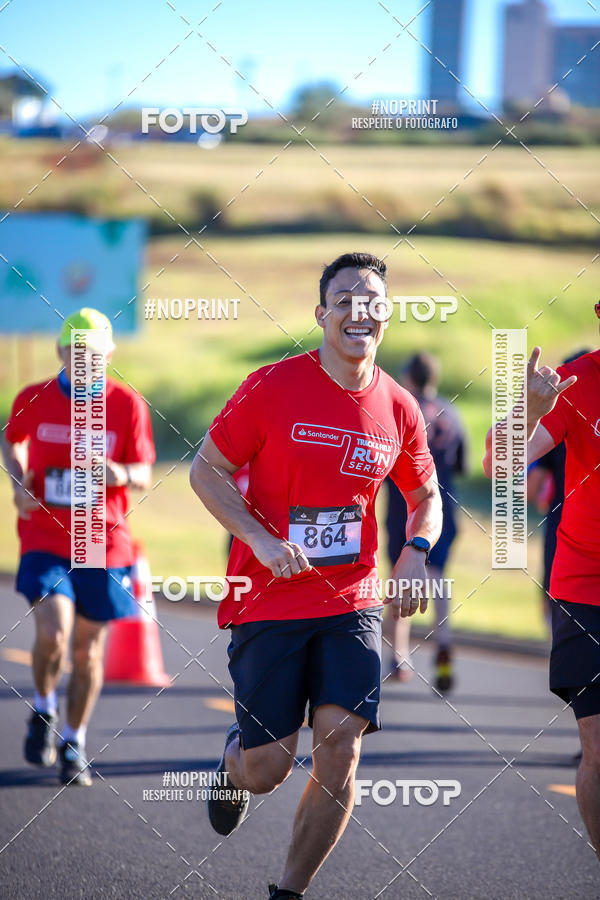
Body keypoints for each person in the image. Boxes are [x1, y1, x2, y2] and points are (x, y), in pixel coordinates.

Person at [190, 251, 442, 900]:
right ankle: (232, 762)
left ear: (385, 316)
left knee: (341, 747)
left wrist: (416, 547)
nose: (361, 309)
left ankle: (288, 891)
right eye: (346, 298)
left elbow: (427, 493)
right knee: (269, 767)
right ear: (322, 314)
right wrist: (260, 538)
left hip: (349, 598)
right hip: (269, 599)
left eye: (373, 300)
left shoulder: (398, 406)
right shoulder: (270, 386)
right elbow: (206, 471)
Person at [2, 308, 155, 786]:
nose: (86, 360)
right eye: (76, 352)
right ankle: (44, 709)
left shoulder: (127, 405)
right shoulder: (35, 397)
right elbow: (10, 442)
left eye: (95, 353)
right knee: (54, 630)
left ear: (110, 354)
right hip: (45, 534)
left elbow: (145, 473)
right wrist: (17, 482)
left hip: (103, 540)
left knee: (88, 652)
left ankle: (75, 739)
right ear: (61, 352)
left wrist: (121, 474)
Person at [483, 306, 600, 861]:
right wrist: (529, 409)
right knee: (598, 748)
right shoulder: (582, 381)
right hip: (587, 588)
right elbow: (498, 463)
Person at [384, 352, 467, 691]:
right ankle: (443, 651)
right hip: (443, 506)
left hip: (404, 509)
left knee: (400, 578)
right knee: (437, 578)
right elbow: (462, 464)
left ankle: (399, 655)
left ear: (407, 377)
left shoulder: (400, 409)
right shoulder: (452, 413)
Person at [526, 349, 591, 631]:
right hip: (583, 528)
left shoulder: (553, 425)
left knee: (557, 600)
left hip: (561, 523)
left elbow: (531, 488)